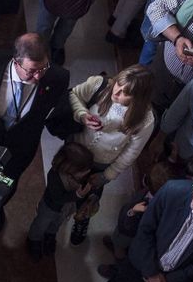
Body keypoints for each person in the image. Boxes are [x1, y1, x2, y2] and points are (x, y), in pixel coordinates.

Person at [0, 33, 72, 232]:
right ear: (15, 62)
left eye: (43, 68)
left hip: (20, 146)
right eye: (32, 71)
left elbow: (56, 106)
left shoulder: (58, 77)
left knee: (7, 181)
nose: (38, 76)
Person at [60, 65, 156, 244]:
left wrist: (108, 175)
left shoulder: (145, 119)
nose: (116, 92)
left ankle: (81, 221)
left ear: (138, 98)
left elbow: (131, 152)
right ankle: (55, 212)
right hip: (75, 149)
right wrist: (82, 115)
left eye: (124, 93)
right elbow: (73, 94)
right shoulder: (100, 84)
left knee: (90, 196)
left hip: (101, 164)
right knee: (61, 184)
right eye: (118, 84)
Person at [27, 141, 97, 257]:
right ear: (69, 168)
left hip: (65, 208)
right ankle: (34, 240)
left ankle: (50, 234)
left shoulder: (80, 175)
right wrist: (78, 195)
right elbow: (57, 198)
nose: (87, 172)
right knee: (40, 224)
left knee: (57, 223)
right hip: (50, 207)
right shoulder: (54, 176)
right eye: (84, 170)